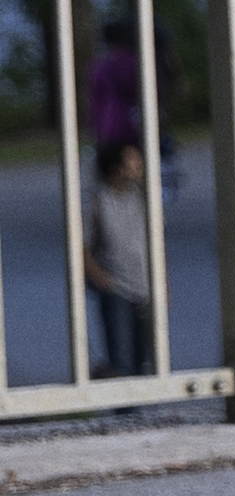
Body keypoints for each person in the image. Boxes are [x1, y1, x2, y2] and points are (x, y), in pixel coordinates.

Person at [83, 136, 154, 376]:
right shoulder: (99, 199)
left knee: (145, 361)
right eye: (131, 160)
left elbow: (154, 241)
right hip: (117, 289)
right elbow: (82, 245)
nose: (138, 164)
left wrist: (162, 281)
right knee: (122, 361)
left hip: (145, 285)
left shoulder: (142, 196)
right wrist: (101, 278)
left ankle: (107, 377)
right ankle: (117, 392)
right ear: (116, 168)